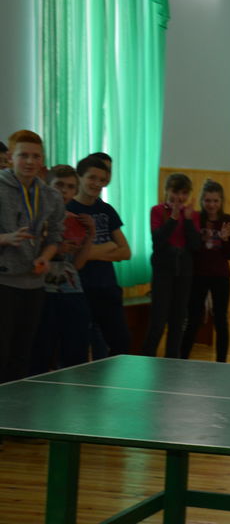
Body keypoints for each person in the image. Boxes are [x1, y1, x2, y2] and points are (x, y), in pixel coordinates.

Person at [0, 130, 64, 381]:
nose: (29, 161)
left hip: (34, 284)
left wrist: (45, 257)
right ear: (10, 157)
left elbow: (55, 236)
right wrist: (6, 238)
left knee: (22, 352)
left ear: (42, 160)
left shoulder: (50, 195)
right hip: (4, 282)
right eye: (23, 155)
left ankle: (14, 403)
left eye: (35, 156)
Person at [31, 165, 95, 373]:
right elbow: (28, 253)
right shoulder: (35, 216)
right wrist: (55, 249)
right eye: (59, 185)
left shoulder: (75, 220)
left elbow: (78, 264)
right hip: (44, 290)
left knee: (76, 349)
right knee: (43, 349)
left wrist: (91, 234)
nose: (64, 191)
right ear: (48, 186)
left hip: (72, 290)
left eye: (70, 187)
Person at [69, 154, 132, 356]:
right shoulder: (69, 209)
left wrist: (89, 253)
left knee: (121, 343)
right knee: (78, 346)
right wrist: (107, 247)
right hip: (79, 289)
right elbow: (73, 258)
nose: (97, 184)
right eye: (92, 178)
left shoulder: (106, 210)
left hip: (107, 288)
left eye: (102, 180)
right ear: (79, 177)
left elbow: (126, 251)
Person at [143, 172, 200, 358]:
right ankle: (147, 359)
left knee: (178, 321)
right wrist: (173, 219)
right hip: (163, 271)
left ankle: (172, 362)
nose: (179, 197)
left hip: (184, 271)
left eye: (184, 193)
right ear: (166, 191)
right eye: (175, 192)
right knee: (158, 321)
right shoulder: (157, 210)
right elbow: (157, 241)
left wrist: (188, 221)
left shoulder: (192, 214)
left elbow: (195, 245)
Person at [181, 179, 230, 362]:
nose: (211, 205)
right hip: (198, 275)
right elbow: (192, 248)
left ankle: (221, 362)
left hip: (220, 276)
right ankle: (181, 359)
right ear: (202, 200)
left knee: (220, 319)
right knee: (193, 319)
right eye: (207, 200)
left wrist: (225, 240)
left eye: (215, 201)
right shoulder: (196, 219)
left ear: (221, 201)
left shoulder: (229, 221)